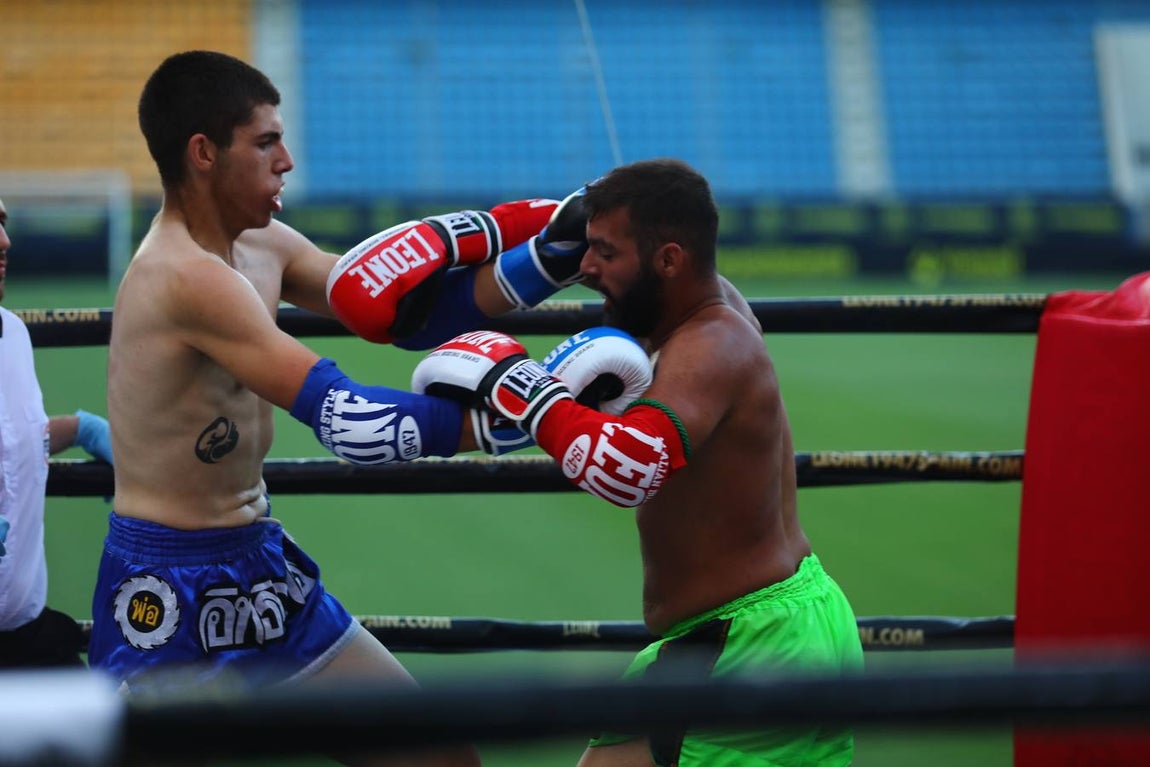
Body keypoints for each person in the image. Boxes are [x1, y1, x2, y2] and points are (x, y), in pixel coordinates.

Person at [86, 49, 588, 767]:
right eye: (265, 142)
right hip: (167, 593)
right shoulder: (179, 276)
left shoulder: (261, 244)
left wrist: (553, 254)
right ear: (203, 153)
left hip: (260, 568)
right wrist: (515, 419)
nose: (287, 160)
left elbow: (400, 312)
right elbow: (350, 419)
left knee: (442, 757)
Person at [413, 158, 865, 766]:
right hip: (754, 629)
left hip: (747, 645)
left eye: (604, 252)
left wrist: (515, 383)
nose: (585, 266)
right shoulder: (695, 307)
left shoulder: (711, 343)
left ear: (669, 260)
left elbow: (629, 467)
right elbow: (664, 209)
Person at [0, 196, 115, 668]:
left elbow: (10, 438)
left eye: (2, 222)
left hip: (26, 635)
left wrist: (81, 430)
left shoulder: (12, 334)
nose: (5, 240)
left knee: (117, 738)